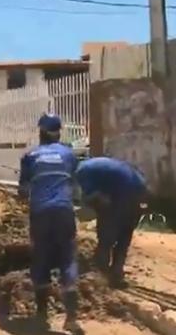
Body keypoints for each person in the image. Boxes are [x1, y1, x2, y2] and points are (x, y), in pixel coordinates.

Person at [10, 113, 83, 334]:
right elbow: (75, 185)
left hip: (41, 212)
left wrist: (26, 192)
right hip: (64, 211)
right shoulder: (69, 155)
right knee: (68, 259)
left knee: (41, 258)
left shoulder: (30, 155)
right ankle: (71, 318)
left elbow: (23, 191)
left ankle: (42, 316)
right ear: (59, 132)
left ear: (40, 132)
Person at [75, 157, 147, 288]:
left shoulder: (81, 171)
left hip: (123, 194)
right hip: (138, 191)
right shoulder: (94, 164)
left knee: (106, 237)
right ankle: (117, 273)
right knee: (124, 237)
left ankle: (100, 273)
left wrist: (97, 212)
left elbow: (96, 198)